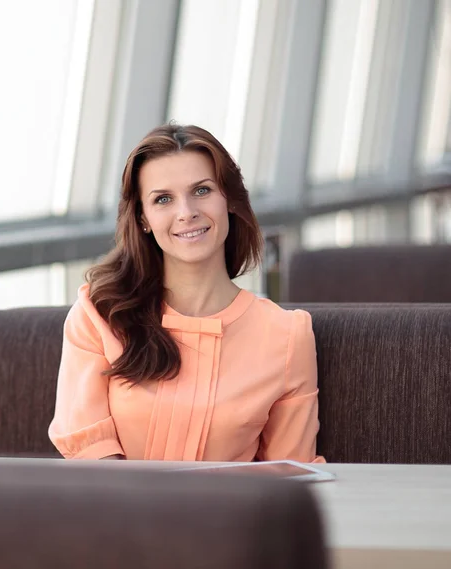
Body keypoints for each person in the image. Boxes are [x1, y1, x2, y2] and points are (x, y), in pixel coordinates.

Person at [48, 124, 324, 463]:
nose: (186, 212)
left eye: (202, 190)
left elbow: (291, 475)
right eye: (163, 199)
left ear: (230, 200)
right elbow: (88, 451)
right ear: (143, 218)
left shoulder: (286, 335)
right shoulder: (98, 313)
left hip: (228, 515)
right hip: (115, 513)